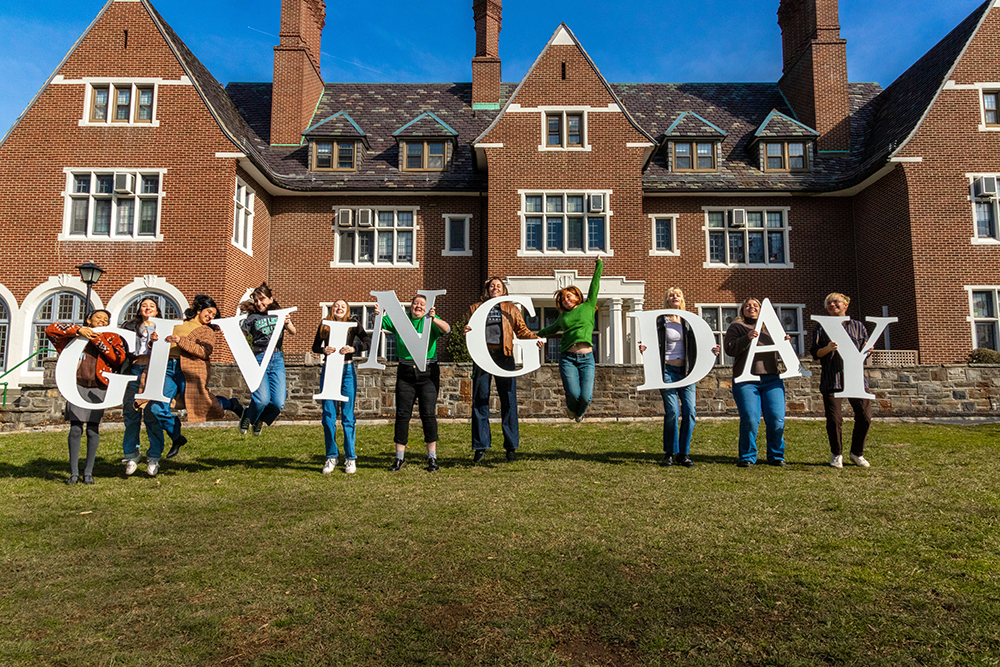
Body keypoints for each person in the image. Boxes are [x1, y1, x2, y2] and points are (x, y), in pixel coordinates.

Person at [139, 294, 243, 475]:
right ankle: (177, 437)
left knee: (200, 402)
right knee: (157, 408)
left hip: (189, 370)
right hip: (166, 368)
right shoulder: (176, 323)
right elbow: (157, 343)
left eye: (213, 315)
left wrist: (180, 341)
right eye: (209, 312)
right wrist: (153, 341)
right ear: (199, 309)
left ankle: (229, 403)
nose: (211, 317)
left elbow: (204, 351)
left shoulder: (207, 331)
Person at [638, 287, 720, 468]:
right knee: (673, 411)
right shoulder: (660, 321)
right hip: (666, 371)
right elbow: (650, 343)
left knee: (690, 412)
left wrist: (712, 350)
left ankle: (684, 454)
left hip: (688, 371)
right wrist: (644, 348)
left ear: (682, 299)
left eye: (678, 295)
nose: (674, 297)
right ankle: (669, 453)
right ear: (667, 300)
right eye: (671, 295)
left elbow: (701, 342)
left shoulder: (689, 321)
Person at [464, 277, 540, 463]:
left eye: (498, 286)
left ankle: (511, 447)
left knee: (509, 399)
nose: (494, 288)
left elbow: (521, 330)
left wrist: (535, 338)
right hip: (482, 357)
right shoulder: (475, 308)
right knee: (480, 400)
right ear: (487, 290)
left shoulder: (511, 308)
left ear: (503, 290)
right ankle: (480, 447)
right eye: (491, 286)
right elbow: (469, 331)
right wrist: (465, 331)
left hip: (504, 356)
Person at [46, 309, 127, 485]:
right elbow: (51, 330)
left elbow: (118, 358)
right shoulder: (74, 338)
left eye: (106, 319)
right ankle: (74, 473)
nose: (102, 321)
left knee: (92, 428)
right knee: (75, 428)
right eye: (98, 318)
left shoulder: (112, 337)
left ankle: (88, 472)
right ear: (88, 320)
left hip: (98, 387)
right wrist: (77, 330)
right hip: (76, 386)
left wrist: (98, 339)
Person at [376, 294, 451, 472]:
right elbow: (380, 323)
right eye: (415, 303)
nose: (418, 306)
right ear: (410, 306)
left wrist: (434, 319)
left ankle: (432, 458)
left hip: (428, 372)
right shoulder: (402, 320)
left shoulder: (429, 320)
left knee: (428, 414)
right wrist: (377, 314)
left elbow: (447, 329)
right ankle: (399, 458)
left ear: (427, 307)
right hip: (406, 372)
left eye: (422, 304)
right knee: (402, 415)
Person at [724, 297, 790, 468]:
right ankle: (747, 457)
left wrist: (786, 343)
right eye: (747, 306)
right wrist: (746, 338)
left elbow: (785, 353)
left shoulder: (771, 328)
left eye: (755, 305)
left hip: (772, 379)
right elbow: (730, 349)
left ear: (762, 309)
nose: (751, 308)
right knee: (751, 419)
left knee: (776, 419)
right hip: (746, 380)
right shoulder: (736, 327)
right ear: (742, 310)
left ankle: (776, 456)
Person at [810, 292, 873, 468]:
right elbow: (815, 353)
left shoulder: (858, 326)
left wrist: (869, 349)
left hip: (856, 378)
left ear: (846, 304)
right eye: (829, 303)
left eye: (836, 302)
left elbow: (866, 350)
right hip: (832, 378)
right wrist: (828, 348)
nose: (832, 305)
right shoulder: (821, 328)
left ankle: (857, 453)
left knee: (865, 416)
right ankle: (836, 454)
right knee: (835, 419)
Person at [538, 256, 603, 422]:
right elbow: (550, 329)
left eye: (568, 296)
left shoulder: (588, 306)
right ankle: (572, 409)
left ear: (577, 296)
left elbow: (595, 285)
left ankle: (579, 413)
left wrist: (599, 264)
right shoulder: (563, 317)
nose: (565, 300)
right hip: (567, 358)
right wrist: (535, 335)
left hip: (587, 358)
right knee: (573, 393)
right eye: (562, 299)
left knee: (586, 396)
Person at [312, 299, 371, 474]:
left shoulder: (353, 323)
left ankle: (350, 458)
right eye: (336, 305)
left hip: (347, 370)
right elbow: (315, 346)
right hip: (329, 370)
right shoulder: (325, 325)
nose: (339, 308)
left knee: (347, 416)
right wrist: (324, 350)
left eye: (342, 306)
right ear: (332, 309)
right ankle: (331, 456)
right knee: (329, 416)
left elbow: (367, 341)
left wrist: (354, 348)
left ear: (347, 310)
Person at [120, 296, 170, 476]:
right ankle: (131, 454)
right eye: (144, 305)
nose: (147, 308)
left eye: (152, 306)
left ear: (157, 311)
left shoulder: (163, 327)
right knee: (131, 413)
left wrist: (160, 340)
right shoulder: (130, 326)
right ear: (139, 309)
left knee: (152, 414)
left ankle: (154, 456)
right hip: (134, 369)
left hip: (153, 370)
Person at [239, 283, 295, 437]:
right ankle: (248, 415)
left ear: (271, 299)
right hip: (258, 357)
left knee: (278, 402)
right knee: (261, 400)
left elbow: (293, 332)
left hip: (276, 358)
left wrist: (287, 321)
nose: (258, 303)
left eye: (262, 299)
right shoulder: (252, 318)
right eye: (256, 301)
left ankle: (260, 419)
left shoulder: (280, 314)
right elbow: (240, 338)